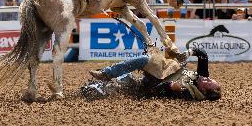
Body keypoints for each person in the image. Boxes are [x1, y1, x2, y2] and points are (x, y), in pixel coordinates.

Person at [84, 48, 221, 101]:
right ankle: (101, 83)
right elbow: (202, 54)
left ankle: (104, 77)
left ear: (203, 90)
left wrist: (171, 86)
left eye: (209, 82)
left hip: (153, 86)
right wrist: (188, 53)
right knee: (128, 80)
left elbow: (161, 89)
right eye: (211, 79)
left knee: (142, 63)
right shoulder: (202, 76)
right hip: (161, 73)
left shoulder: (187, 93)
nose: (208, 78)